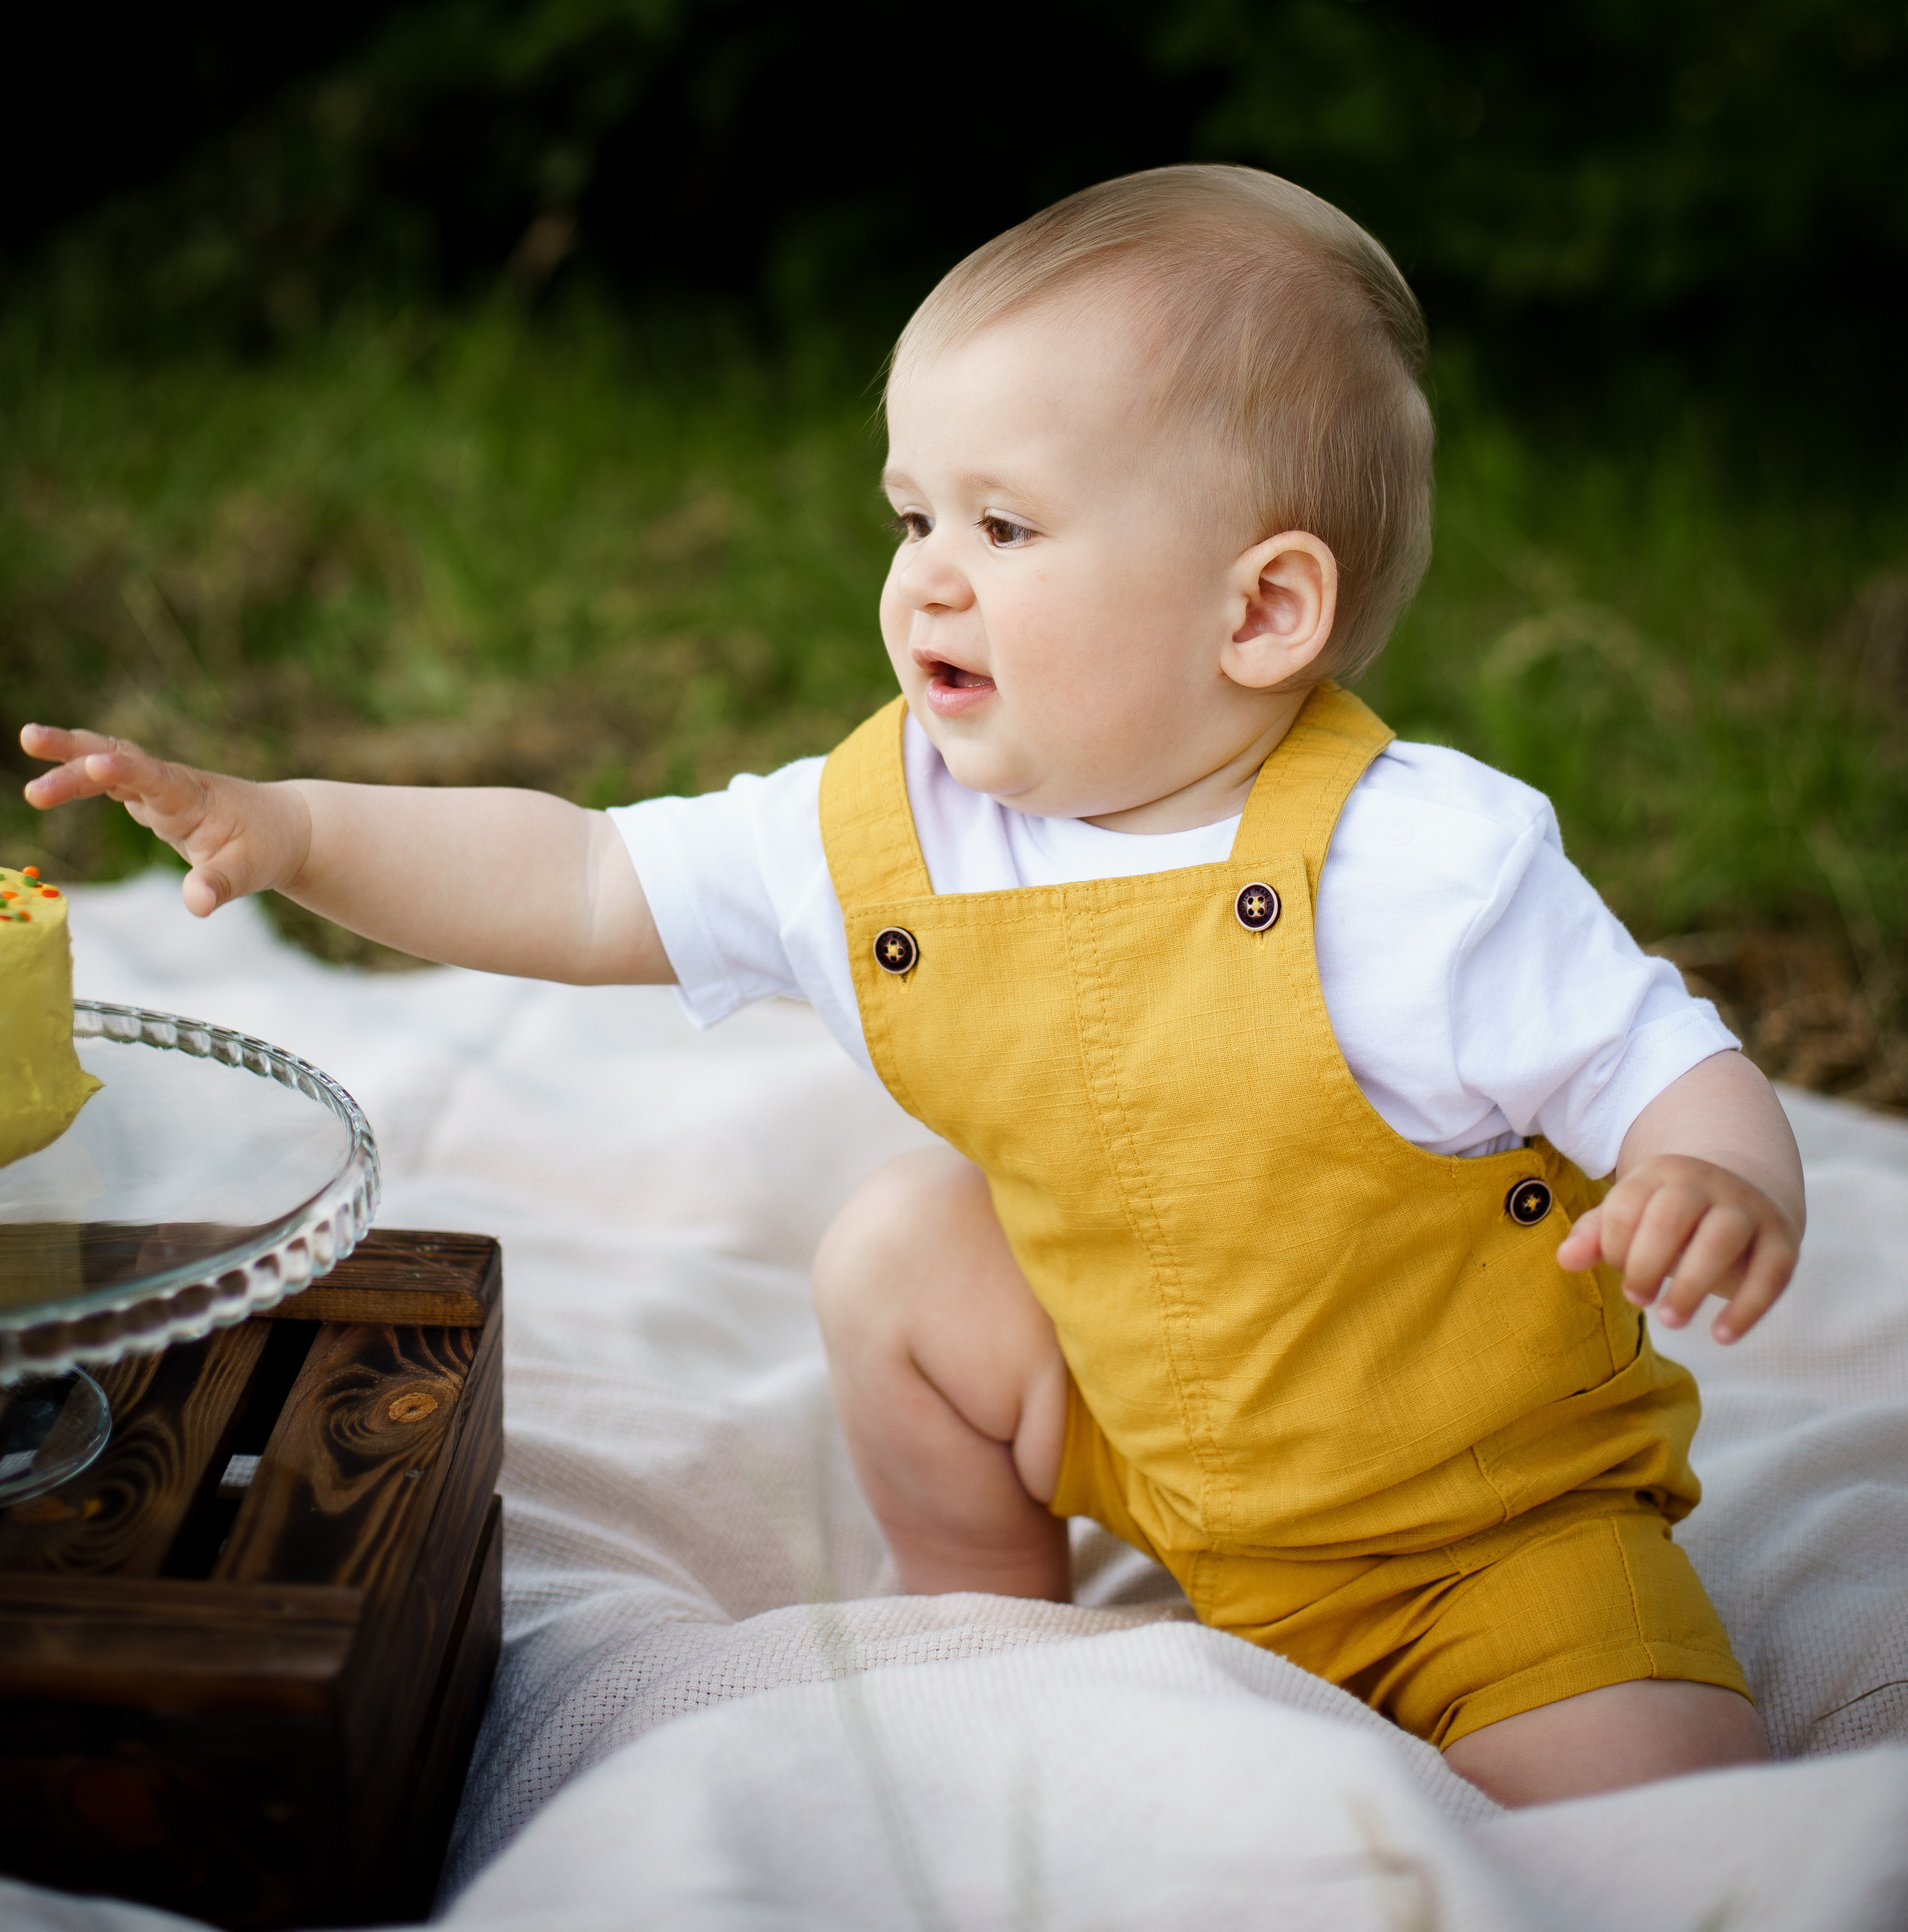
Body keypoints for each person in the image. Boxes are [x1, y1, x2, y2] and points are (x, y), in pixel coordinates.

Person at [20, 165, 1803, 1808]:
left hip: (1481, 1527)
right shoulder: (895, 828)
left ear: (1257, 615)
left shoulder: (1420, 867)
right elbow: (580, 872)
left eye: (1006, 528)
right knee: (901, 1249)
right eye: (910, 512)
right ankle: (983, 1620)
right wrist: (298, 827)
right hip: (1152, 1441)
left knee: (1661, 1812)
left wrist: (1708, 1174)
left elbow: (1668, 1064)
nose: (923, 575)